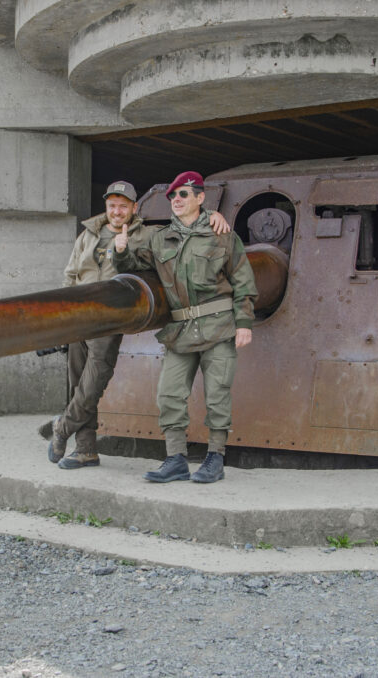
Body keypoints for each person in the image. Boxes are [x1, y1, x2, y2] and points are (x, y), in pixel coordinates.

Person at [48, 180, 231, 470]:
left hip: (109, 320)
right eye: (112, 205)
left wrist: (212, 216)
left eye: (123, 206)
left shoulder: (147, 235)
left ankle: (62, 428)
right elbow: (70, 276)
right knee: (77, 385)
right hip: (77, 319)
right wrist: (61, 319)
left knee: (92, 384)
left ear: (134, 208)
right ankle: (85, 451)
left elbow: (185, 229)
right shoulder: (88, 234)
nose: (117, 211)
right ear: (106, 206)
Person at [114, 171, 257, 484]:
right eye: (172, 197)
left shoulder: (223, 236)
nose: (176, 200)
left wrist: (244, 322)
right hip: (180, 330)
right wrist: (121, 250)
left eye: (183, 195)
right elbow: (134, 266)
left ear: (200, 198)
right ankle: (176, 459)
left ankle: (215, 458)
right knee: (169, 394)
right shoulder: (160, 239)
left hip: (218, 327)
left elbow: (243, 281)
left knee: (217, 395)